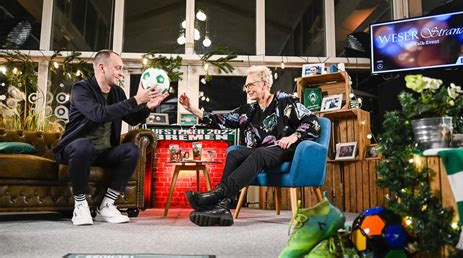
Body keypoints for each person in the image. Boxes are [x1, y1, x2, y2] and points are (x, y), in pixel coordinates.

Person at [178, 65, 320, 226]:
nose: (247, 89)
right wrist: (191, 109)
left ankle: (216, 195)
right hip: (261, 153)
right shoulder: (249, 110)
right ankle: (222, 208)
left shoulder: (284, 101)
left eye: (251, 85)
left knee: (258, 153)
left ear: (265, 83)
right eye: (246, 86)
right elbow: (222, 120)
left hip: (283, 150)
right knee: (234, 154)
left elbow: (312, 121)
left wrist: (293, 137)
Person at [53, 50, 169, 226]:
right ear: (101, 67)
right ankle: (80, 205)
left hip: (103, 153)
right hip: (75, 150)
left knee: (132, 150)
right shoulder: (81, 89)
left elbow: (131, 118)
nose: (121, 72)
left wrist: (149, 107)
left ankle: (106, 206)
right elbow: (98, 114)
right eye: (117, 68)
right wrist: (136, 99)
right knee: (84, 145)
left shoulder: (117, 92)